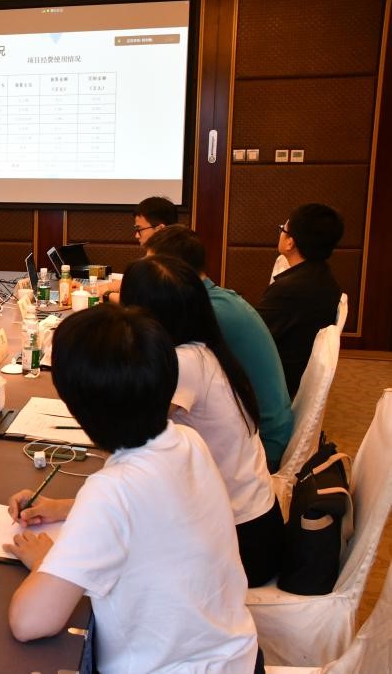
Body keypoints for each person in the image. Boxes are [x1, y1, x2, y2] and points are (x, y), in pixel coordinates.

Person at [5, 304, 261, 673]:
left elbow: (29, 622)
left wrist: (47, 562)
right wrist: (64, 508)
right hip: (239, 659)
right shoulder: (188, 442)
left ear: (76, 408)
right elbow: (152, 510)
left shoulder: (111, 492)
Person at [120, 255, 283, 587]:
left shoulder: (183, 364)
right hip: (254, 524)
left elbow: (130, 436)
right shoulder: (205, 349)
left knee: (116, 563)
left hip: (239, 543)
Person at [145, 225, 293, 472]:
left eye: (151, 270)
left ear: (171, 272)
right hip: (257, 433)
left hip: (261, 445)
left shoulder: (208, 315)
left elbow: (149, 412)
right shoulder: (216, 299)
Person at [257, 203, 344, 398]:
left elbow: (253, 338)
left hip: (272, 386)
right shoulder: (325, 278)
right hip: (293, 377)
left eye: (283, 229)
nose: (281, 232)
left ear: (290, 243)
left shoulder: (289, 290)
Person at [100, 195, 180, 303]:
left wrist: (106, 294)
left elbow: (139, 302)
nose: (136, 236)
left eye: (140, 229)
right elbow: (130, 283)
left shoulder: (168, 263)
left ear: (160, 229)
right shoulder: (160, 253)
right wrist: (90, 289)